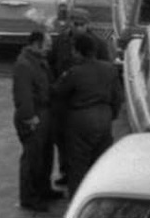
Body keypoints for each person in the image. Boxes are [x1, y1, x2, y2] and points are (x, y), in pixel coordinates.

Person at [48, 7, 113, 188]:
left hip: (83, 103)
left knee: (83, 150)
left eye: (82, 25)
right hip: (64, 102)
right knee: (62, 140)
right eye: (75, 24)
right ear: (70, 23)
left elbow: (107, 74)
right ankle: (65, 171)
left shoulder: (98, 44)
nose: (78, 28)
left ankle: (84, 180)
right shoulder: (60, 41)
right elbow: (52, 64)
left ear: (88, 25)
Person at [52, 32, 123, 199]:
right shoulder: (109, 69)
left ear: (78, 51)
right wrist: (110, 114)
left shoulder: (74, 73)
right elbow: (118, 97)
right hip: (104, 119)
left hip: (80, 120)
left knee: (77, 164)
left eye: (74, 51)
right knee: (99, 162)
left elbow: (57, 93)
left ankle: (78, 200)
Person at [12, 29, 61, 213]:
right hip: (34, 116)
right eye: (46, 45)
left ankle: (44, 189)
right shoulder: (24, 65)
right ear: (36, 43)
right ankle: (29, 197)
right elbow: (23, 96)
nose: (49, 48)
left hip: (45, 114)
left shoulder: (39, 61)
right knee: (32, 159)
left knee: (46, 155)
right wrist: (29, 118)